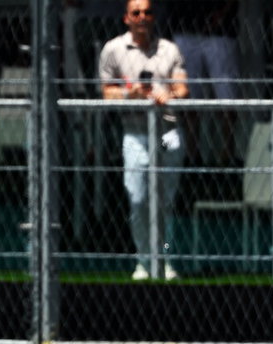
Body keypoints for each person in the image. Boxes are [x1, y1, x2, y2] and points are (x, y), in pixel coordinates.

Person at [100, 0, 190, 280]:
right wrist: (132, 94)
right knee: (138, 199)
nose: (142, 17)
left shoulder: (169, 49)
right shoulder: (113, 49)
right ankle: (144, 260)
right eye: (136, 12)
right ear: (126, 18)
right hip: (135, 131)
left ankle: (165, 260)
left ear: (154, 17)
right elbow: (107, 93)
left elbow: (182, 88)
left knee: (165, 201)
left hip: (167, 131)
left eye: (147, 12)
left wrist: (168, 95)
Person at [169, 1, 239, 167]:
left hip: (221, 30)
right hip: (184, 26)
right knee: (188, 96)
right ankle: (191, 156)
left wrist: (222, 13)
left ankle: (227, 156)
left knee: (227, 97)